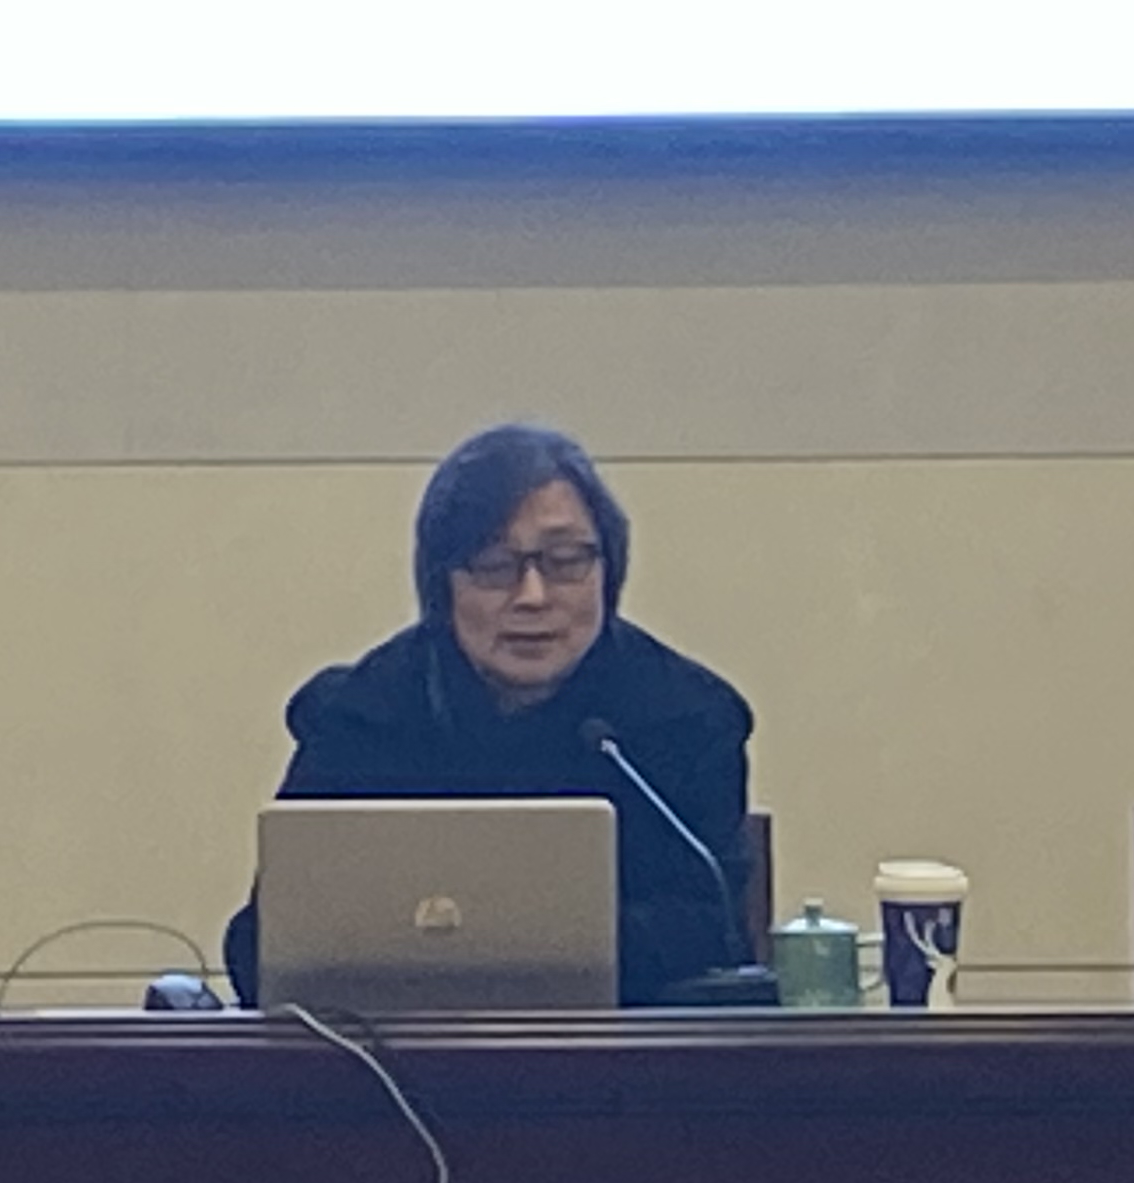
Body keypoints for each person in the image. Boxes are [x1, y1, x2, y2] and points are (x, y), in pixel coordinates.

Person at [223, 423, 755, 1007]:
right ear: (441, 584)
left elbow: (714, 925)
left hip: (619, 1051)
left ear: (610, 571)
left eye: (565, 561)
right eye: (494, 565)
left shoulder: (688, 718)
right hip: (389, 1049)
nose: (532, 596)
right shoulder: (360, 717)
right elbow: (266, 945)